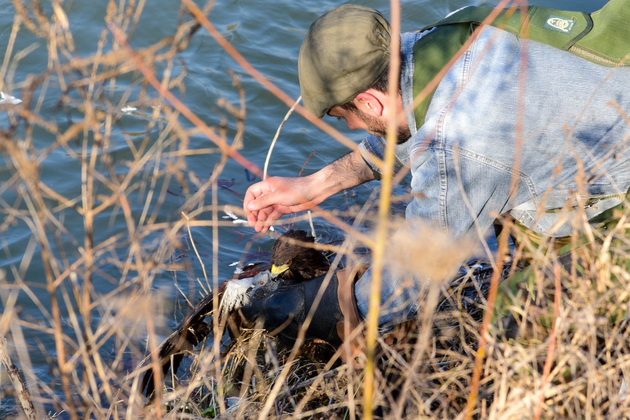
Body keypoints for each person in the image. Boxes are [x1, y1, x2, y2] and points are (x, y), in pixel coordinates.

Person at [240, 4, 630, 349]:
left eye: (348, 119)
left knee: (512, 327)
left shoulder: (461, 145)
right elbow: (410, 123)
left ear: (369, 101)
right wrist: (317, 184)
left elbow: (406, 285)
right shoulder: (440, 38)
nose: (358, 128)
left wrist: (305, 310)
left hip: (618, 195)